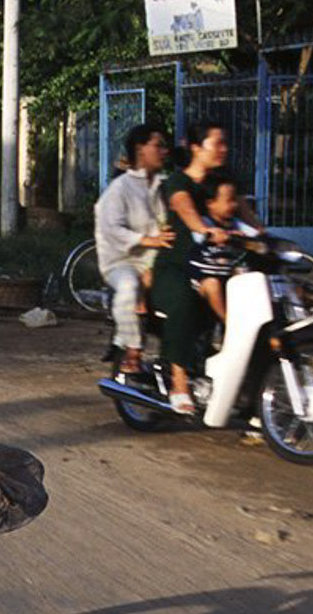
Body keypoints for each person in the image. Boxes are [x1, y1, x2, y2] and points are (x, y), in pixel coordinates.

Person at [151, 120, 236, 414]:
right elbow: (183, 207)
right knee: (186, 302)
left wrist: (264, 236)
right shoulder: (178, 182)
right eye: (217, 143)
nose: (223, 149)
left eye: (225, 142)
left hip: (218, 265)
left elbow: (246, 214)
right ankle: (179, 381)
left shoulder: (223, 181)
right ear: (196, 148)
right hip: (177, 267)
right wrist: (203, 228)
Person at [93, 123, 174, 376]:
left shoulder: (162, 186)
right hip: (121, 261)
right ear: (140, 149)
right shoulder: (120, 189)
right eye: (158, 145)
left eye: (165, 146)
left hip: (153, 260)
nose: (164, 151)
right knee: (129, 287)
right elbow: (111, 229)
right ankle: (133, 350)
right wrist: (148, 240)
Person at [188, 173, 248, 323]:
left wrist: (254, 236)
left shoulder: (236, 223)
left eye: (235, 200)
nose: (234, 205)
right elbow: (199, 235)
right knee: (212, 285)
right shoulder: (204, 222)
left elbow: (253, 233)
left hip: (229, 274)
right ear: (210, 203)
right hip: (203, 279)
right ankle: (228, 323)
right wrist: (214, 235)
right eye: (229, 201)